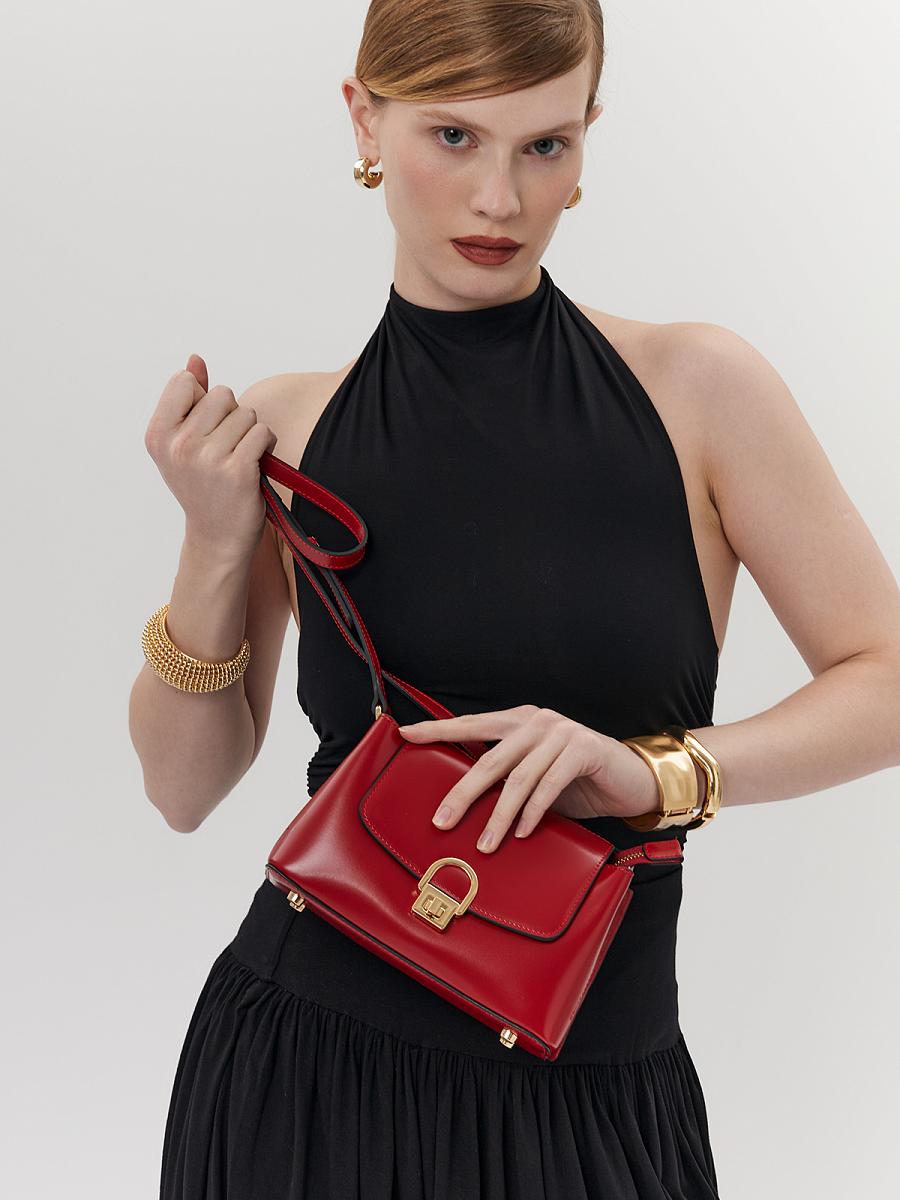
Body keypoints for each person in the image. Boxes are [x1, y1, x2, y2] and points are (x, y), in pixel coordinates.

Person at [130, 2, 900, 1197]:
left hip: (598, 1092)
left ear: (588, 138)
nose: (499, 199)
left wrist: (656, 773)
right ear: (365, 122)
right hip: (309, 1083)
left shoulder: (699, 390)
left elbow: (884, 677)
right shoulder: (290, 427)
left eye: (545, 144)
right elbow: (184, 790)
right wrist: (212, 540)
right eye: (454, 136)